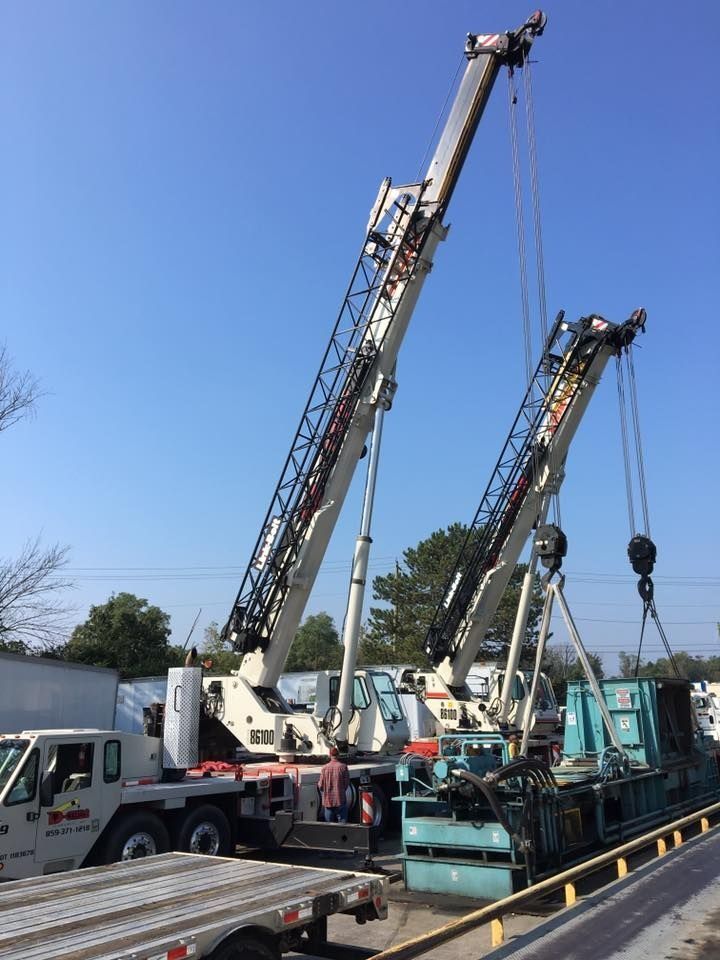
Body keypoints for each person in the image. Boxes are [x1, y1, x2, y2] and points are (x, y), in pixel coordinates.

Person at [318, 747, 350, 823]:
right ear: (338, 755)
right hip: (340, 800)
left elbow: (321, 785)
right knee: (342, 826)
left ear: (329, 755)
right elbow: (346, 784)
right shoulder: (343, 767)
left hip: (328, 801)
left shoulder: (324, 768)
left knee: (329, 827)